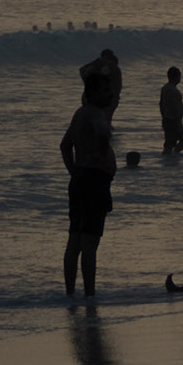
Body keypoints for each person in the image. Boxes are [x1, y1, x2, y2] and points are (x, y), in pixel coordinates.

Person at [62, 81, 117, 296]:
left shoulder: (79, 113)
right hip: (94, 182)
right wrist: (103, 151)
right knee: (89, 242)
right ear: (93, 92)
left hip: (81, 180)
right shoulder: (95, 114)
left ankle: (70, 294)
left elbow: (65, 146)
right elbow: (102, 133)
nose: (110, 93)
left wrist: (74, 172)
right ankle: (89, 296)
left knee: (75, 239)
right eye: (105, 89)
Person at [79, 49, 122, 119]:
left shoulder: (98, 63)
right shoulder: (113, 66)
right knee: (104, 116)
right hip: (106, 97)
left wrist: (88, 82)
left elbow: (82, 70)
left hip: (91, 96)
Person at [160, 67, 183, 154]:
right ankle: (174, 155)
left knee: (169, 143)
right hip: (173, 120)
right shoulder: (173, 91)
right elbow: (175, 107)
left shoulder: (165, 88)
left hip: (167, 119)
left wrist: (163, 116)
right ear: (176, 77)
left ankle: (169, 158)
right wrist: (178, 121)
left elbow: (161, 104)